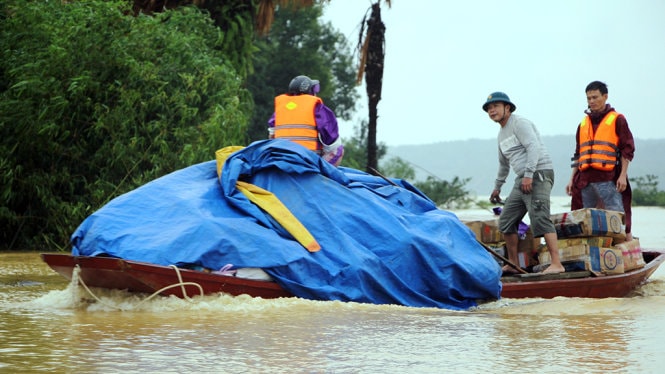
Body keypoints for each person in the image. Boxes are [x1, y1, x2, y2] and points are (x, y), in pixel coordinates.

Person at [483, 92, 565, 274]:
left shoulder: (519, 123)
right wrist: (497, 188)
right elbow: (504, 164)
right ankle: (514, 264)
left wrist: (529, 174)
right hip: (522, 178)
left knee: (540, 216)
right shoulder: (501, 135)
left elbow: (533, 147)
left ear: (508, 108)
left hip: (538, 172)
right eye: (489, 108)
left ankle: (557, 264)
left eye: (495, 106)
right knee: (506, 220)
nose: (491, 111)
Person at [565, 81, 635, 241]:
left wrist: (623, 175)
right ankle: (589, 255)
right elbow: (578, 153)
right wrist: (571, 179)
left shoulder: (618, 120)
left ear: (605, 97)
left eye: (595, 97)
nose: (591, 101)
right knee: (582, 221)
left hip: (608, 179)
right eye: (588, 98)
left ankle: (626, 253)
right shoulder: (583, 124)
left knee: (617, 219)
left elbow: (627, 149)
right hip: (585, 180)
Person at [268, 75, 344, 166]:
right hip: (307, 161)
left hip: (280, 158)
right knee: (338, 149)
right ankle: (322, 175)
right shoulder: (317, 107)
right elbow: (332, 142)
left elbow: (271, 136)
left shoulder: (280, 108)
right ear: (310, 91)